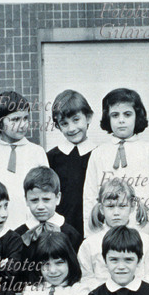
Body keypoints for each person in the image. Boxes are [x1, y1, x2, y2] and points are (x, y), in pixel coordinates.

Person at [82, 88, 149, 234]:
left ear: (137, 116)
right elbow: (90, 197)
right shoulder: (98, 153)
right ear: (108, 118)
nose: (121, 120)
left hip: (141, 230)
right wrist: (91, 236)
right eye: (115, 115)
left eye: (127, 114)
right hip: (106, 232)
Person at [0, 90, 49, 230]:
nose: (22, 125)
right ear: (0, 122)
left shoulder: (37, 153)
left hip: (32, 229)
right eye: (15, 119)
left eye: (25, 118)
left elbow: (47, 195)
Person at [79, 177, 149, 292]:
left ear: (132, 207)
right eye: (110, 206)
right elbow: (86, 280)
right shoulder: (89, 244)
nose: (116, 212)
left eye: (122, 206)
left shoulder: (147, 241)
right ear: (101, 208)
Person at [14, 166, 83, 286]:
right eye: (34, 200)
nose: (40, 206)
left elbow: (76, 271)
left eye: (46, 199)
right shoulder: (19, 236)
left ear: (58, 198)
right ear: (26, 200)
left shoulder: (71, 234)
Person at [46, 90, 96, 237]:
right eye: (64, 123)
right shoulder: (51, 158)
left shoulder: (99, 154)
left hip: (93, 229)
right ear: (58, 126)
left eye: (76, 120)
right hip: (60, 231)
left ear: (88, 117)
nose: (72, 128)